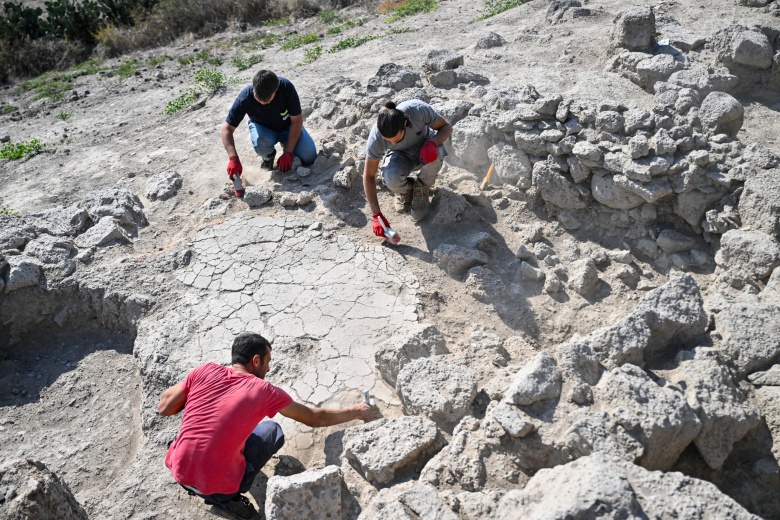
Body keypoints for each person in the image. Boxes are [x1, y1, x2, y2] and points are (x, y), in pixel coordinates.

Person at [158, 332, 379, 520]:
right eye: (268, 361)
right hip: (217, 487)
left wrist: (201, 394)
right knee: (273, 431)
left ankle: (210, 483)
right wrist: (358, 411)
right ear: (256, 361)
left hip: (179, 472)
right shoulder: (263, 390)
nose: (269, 368)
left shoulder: (204, 371)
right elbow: (314, 418)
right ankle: (230, 500)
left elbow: (164, 408)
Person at [221, 70, 317, 196]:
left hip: (289, 127)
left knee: (309, 156)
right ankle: (268, 157)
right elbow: (226, 129)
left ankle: (288, 147)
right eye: (258, 98)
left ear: (276, 90)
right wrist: (233, 159)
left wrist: (288, 152)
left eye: (267, 100)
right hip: (263, 129)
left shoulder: (286, 88)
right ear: (253, 89)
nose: (262, 102)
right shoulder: (245, 97)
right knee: (262, 144)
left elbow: (297, 120)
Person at [363, 100, 452, 236]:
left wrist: (433, 142)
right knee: (391, 178)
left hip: (424, 148)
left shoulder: (418, 111)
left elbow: (446, 127)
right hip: (400, 156)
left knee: (438, 152)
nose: (392, 142)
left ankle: (422, 188)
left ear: (404, 124)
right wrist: (377, 215)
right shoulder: (376, 138)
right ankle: (407, 191)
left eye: (396, 139)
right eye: (388, 140)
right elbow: (368, 176)